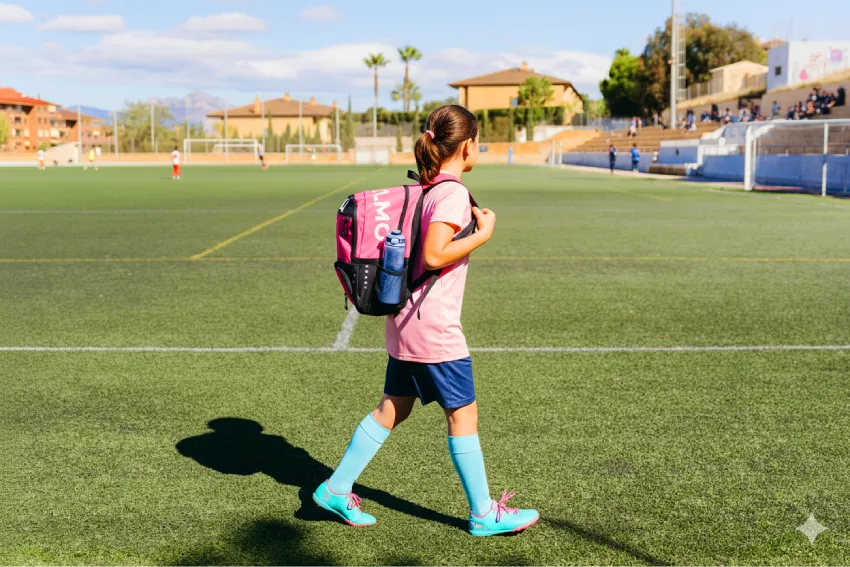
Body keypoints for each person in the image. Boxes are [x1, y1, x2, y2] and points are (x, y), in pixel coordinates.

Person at [312, 105, 539, 537]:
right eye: (479, 141)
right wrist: (482, 235)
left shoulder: (427, 187)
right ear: (468, 145)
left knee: (392, 408)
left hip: (406, 319)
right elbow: (434, 254)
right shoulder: (450, 192)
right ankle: (483, 514)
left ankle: (336, 490)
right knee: (463, 413)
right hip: (433, 327)